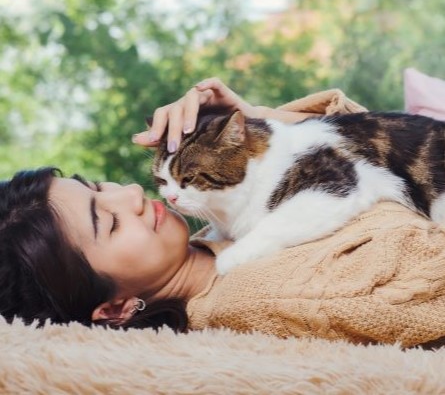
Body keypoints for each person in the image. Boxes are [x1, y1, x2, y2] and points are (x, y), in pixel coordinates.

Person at [1, 78, 445, 348]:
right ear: (115, 309)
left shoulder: (218, 233)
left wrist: (253, 132)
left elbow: (392, 162)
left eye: (100, 187)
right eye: (110, 223)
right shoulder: (265, 298)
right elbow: (426, 264)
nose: (134, 194)